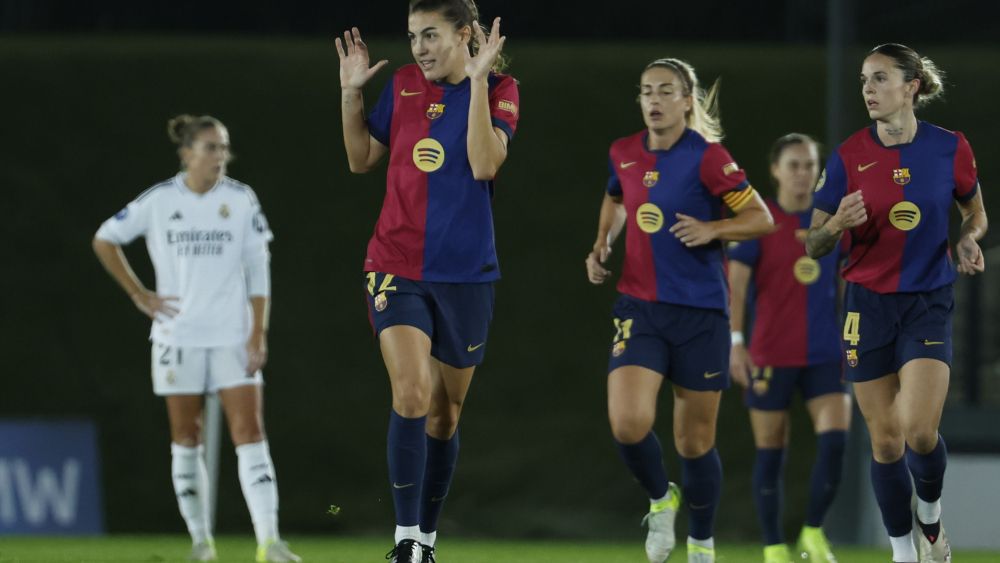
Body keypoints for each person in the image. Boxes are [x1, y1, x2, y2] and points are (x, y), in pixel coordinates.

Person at [334, 0, 519, 561]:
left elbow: (485, 163)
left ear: (466, 36)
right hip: (394, 265)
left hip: (466, 275)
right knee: (411, 393)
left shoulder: (503, 88)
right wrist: (350, 95)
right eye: (414, 35)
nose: (418, 47)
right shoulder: (406, 85)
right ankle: (406, 540)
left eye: (431, 35)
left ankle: (428, 538)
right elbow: (361, 157)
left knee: (445, 412)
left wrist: (481, 82)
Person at [586, 57, 774, 563]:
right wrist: (602, 241)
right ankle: (660, 498)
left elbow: (761, 218)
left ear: (687, 101)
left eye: (666, 91)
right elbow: (616, 198)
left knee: (694, 442)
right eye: (646, 90)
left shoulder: (709, 158)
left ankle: (703, 543)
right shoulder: (623, 152)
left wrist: (714, 229)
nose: (653, 100)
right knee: (627, 423)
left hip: (701, 314)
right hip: (640, 308)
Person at [807, 43, 987, 563]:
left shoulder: (950, 147)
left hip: (927, 300)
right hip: (866, 305)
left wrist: (970, 237)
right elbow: (812, 243)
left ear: (911, 87)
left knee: (919, 431)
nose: (868, 88)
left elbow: (976, 212)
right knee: (885, 443)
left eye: (880, 79)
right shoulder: (847, 156)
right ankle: (903, 552)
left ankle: (930, 518)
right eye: (864, 79)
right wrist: (836, 223)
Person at [92, 115, 300, 562]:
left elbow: (259, 270)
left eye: (223, 147)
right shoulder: (160, 200)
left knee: (251, 433)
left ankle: (270, 541)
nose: (219, 156)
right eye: (210, 147)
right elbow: (106, 239)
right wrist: (139, 294)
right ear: (186, 153)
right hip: (177, 335)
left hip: (231, 335)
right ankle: (201, 543)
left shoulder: (241, 200)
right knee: (187, 437)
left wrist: (257, 333)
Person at [728, 133, 850, 563]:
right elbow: (736, 289)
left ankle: (813, 532)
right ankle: (774, 546)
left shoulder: (830, 224)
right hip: (769, 354)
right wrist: (736, 344)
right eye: (794, 165)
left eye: (810, 165)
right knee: (771, 451)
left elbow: (844, 288)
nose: (803, 173)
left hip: (824, 353)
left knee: (836, 441)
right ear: (776, 170)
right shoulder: (759, 220)